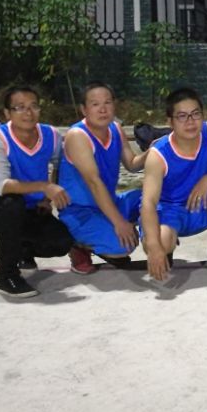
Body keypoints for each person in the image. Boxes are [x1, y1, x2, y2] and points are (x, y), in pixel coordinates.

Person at [0, 85, 73, 298]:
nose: (28, 113)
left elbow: (59, 166)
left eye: (33, 106)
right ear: (7, 113)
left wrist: (46, 199)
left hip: (32, 208)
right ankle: (7, 277)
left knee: (61, 242)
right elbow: (2, 186)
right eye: (19, 107)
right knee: (13, 203)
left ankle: (22, 251)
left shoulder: (51, 135)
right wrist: (44, 186)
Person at [140, 87, 207, 280]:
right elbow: (148, 203)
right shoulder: (158, 155)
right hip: (168, 211)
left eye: (195, 114)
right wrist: (155, 247)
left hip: (199, 203)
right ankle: (166, 247)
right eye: (182, 116)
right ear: (170, 122)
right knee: (160, 242)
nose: (190, 121)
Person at [58, 82, 149, 274]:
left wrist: (155, 150)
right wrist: (120, 223)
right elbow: (94, 182)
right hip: (81, 210)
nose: (103, 109)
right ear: (84, 109)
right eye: (95, 104)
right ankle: (78, 245)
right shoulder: (78, 135)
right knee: (123, 246)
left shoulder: (115, 128)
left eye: (107, 102)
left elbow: (132, 164)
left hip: (110, 202)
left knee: (154, 198)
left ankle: (150, 238)